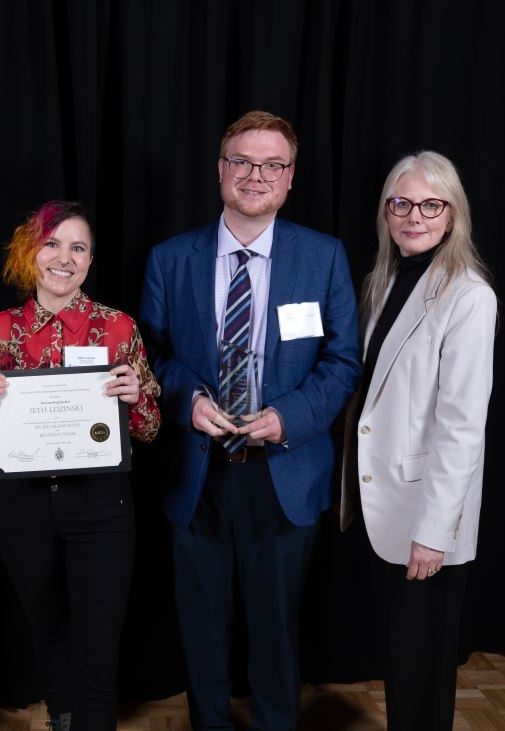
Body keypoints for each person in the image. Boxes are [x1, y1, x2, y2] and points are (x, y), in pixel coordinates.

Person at [138, 110, 361, 730]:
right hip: (197, 471)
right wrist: (188, 404)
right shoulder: (170, 259)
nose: (255, 175)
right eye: (242, 161)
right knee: (202, 624)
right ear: (220, 171)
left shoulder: (323, 256)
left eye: (272, 165)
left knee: (275, 625)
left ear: (290, 178)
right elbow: (150, 355)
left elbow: (343, 360)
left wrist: (286, 418)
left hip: (283, 471)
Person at [0, 201, 161, 731]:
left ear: (91, 260)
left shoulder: (117, 328)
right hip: (23, 508)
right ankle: (62, 718)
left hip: (101, 505)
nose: (64, 257)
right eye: (52, 243)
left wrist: (134, 396)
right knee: (49, 629)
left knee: (98, 642)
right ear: (31, 253)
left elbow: (149, 428)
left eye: (78, 247)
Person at [339, 151, 495, 731]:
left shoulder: (469, 296)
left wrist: (433, 534)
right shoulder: (383, 281)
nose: (414, 216)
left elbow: (462, 427)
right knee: (403, 664)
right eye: (401, 203)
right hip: (386, 506)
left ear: (452, 216)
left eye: (432, 205)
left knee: (422, 667)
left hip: (426, 518)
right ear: (386, 211)